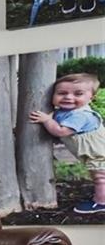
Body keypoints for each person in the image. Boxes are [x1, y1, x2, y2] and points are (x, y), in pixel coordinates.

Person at [29, 70, 105, 213]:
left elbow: (60, 131)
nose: (68, 97)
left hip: (100, 154)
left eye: (78, 94)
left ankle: (101, 203)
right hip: (96, 153)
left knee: (101, 178)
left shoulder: (81, 115)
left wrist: (46, 120)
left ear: (92, 97)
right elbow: (57, 116)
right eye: (62, 93)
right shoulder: (65, 111)